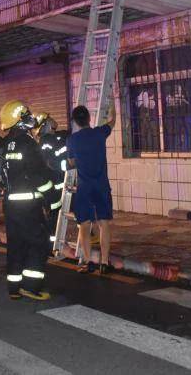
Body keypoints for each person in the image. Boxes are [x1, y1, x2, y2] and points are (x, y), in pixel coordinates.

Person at [0, 100, 54, 301]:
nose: (31, 117)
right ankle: (30, 286)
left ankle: (14, 288)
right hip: (29, 205)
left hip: (10, 205)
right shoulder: (28, 143)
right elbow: (38, 175)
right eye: (27, 115)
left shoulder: (5, 143)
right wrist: (51, 196)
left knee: (16, 245)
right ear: (20, 120)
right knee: (40, 243)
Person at [66, 101, 117, 275]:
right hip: (101, 185)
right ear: (89, 118)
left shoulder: (72, 140)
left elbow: (71, 162)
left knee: (84, 225)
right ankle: (104, 262)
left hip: (84, 187)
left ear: (75, 121)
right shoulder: (99, 133)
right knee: (104, 223)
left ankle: (88, 262)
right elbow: (112, 121)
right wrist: (112, 106)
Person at [34, 113, 68, 248]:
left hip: (59, 183)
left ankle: (54, 242)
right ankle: (52, 244)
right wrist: (66, 166)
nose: (52, 120)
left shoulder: (54, 137)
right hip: (54, 185)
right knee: (54, 214)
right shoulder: (46, 141)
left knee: (59, 212)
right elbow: (50, 163)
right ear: (45, 125)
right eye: (49, 119)